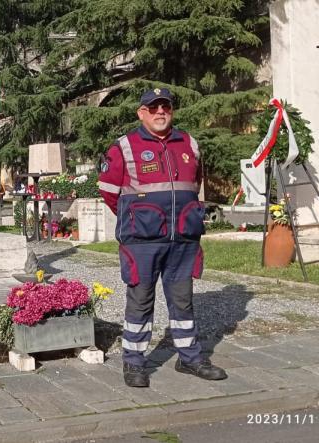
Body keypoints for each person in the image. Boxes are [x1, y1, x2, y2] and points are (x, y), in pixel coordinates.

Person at [97, 87, 227, 388]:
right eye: (153, 107)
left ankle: (189, 357)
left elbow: (195, 183)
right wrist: (139, 215)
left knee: (183, 302)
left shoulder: (189, 143)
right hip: (142, 240)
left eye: (165, 107)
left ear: (171, 110)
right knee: (140, 302)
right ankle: (134, 362)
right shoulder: (123, 147)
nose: (160, 112)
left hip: (183, 238)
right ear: (141, 112)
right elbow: (108, 191)